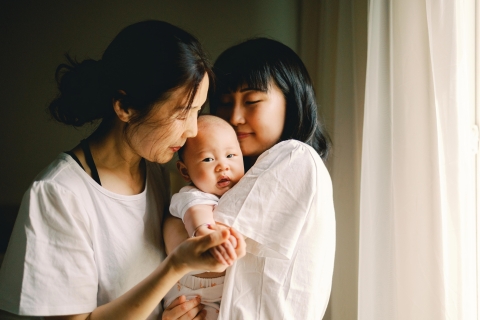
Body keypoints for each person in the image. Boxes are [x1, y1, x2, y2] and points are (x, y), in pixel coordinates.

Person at [0, 20, 245, 320]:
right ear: (125, 107)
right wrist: (176, 265)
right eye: (182, 113)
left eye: (197, 111)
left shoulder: (155, 172)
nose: (193, 131)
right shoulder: (58, 195)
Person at [164, 37, 336, 319]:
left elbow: (200, 253)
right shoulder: (230, 179)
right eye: (224, 102)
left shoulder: (294, 158)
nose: (235, 117)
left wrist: (178, 217)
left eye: (252, 101)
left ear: (291, 103)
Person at [163, 115, 245, 320]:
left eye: (231, 155)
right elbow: (195, 210)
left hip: (221, 293)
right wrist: (204, 231)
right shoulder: (191, 194)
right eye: (208, 159)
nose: (222, 166)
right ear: (184, 171)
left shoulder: (240, 192)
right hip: (192, 294)